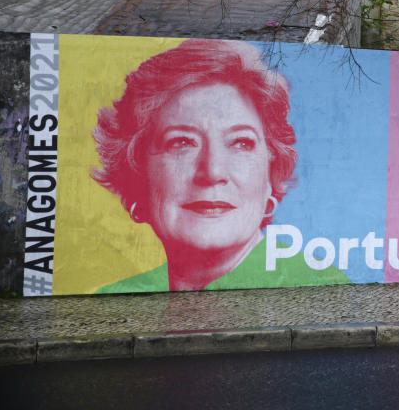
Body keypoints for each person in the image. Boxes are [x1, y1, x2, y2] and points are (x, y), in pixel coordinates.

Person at [93, 39, 347, 293]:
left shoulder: (318, 290)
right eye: (182, 142)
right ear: (138, 167)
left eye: (241, 143)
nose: (212, 172)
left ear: (271, 172)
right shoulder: (111, 300)